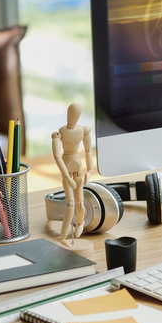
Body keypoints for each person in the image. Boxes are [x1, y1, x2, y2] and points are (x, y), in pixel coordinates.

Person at [52, 102, 94, 248]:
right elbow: (57, 156)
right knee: (70, 204)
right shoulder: (60, 133)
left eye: (75, 115)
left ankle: (81, 223)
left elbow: (89, 150)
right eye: (71, 114)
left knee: (80, 204)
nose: (73, 117)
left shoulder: (83, 130)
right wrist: (66, 176)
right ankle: (63, 236)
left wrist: (90, 170)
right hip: (67, 170)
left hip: (78, 169)